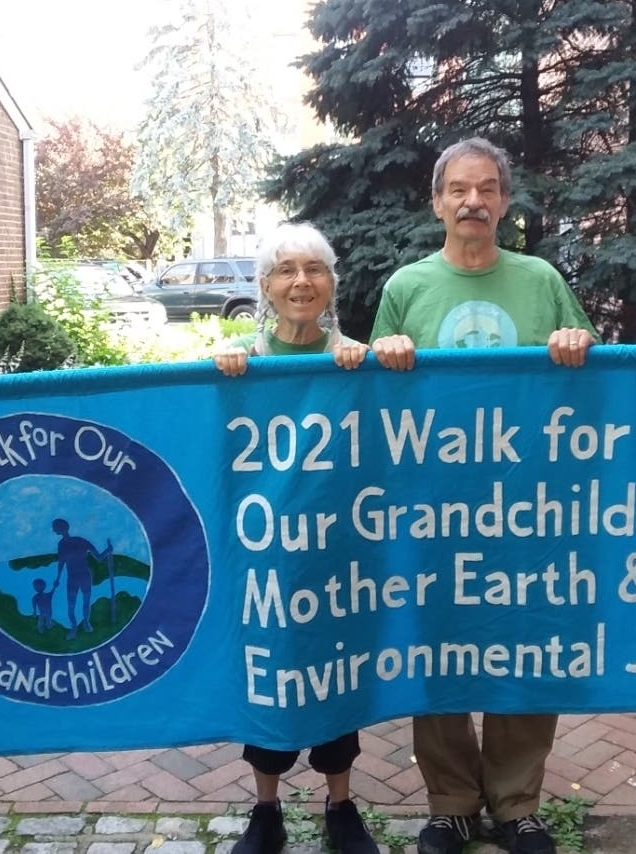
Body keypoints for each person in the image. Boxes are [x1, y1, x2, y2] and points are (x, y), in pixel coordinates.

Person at [369, 137, 598, 854]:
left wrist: (574, 342)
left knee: (525, 650)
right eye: (458, 190)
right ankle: (450, 805)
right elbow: (370, 397)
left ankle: (516, 804)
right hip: (432, 504)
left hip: (527, 505)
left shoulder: (539, 280)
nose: (473, 201)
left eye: (487, 188)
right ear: (437, 202)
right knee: (434, 653)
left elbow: (595, 378)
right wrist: (386, 356)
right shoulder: (405, 288)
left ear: (503, 201)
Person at [213, 222, 377, 854]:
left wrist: (369, 364)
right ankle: (266, 811)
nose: (301, 281)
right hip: (267, 556)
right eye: (286, 270)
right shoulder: (242, 365)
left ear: (332, 283)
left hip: (340, 548)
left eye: (314, 269)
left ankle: (341, 807)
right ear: (265, 286)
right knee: (272, 674)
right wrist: (226, 370)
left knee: (337, 672)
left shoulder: (354, 359)